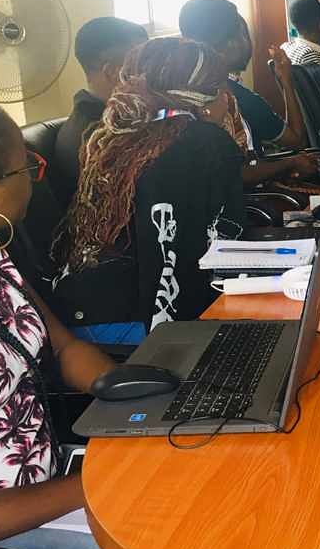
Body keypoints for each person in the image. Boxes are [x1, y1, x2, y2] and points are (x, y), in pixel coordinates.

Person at [0, 91, 214, 549]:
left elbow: (63, 346)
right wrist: (95, 485)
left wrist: (125, 389)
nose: (37, 175)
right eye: (27, 167)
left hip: (49, 499)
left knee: (210, 512)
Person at [52, 38, 246, 338]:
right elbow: (208, 255)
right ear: (205, 99)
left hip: (82, 309)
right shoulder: (205, 143)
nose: (228, 98)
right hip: (134, 320)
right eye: (222, 89)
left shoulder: (116, 135)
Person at [179, 0, 320, 186]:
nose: (248, 42)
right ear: (229, 44)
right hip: (249, 198)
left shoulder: (178, 90)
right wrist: (286, 81)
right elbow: (297, 139)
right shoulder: (238, 98)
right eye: (243, 34)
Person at [54, 17, 148, 205]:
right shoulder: (96, 138)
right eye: (144, 65)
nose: (150, 75)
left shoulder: (119, 118)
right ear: (113, 72)